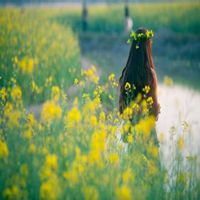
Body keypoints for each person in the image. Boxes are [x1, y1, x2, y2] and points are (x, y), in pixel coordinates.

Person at [118, 28, 160, 146]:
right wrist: (157, 109)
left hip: (132, 133)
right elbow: (154, 110)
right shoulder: (150, 74)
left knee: (133, 164)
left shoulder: (126, 73)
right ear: (147, 48)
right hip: (147, 134)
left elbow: (122, 109)